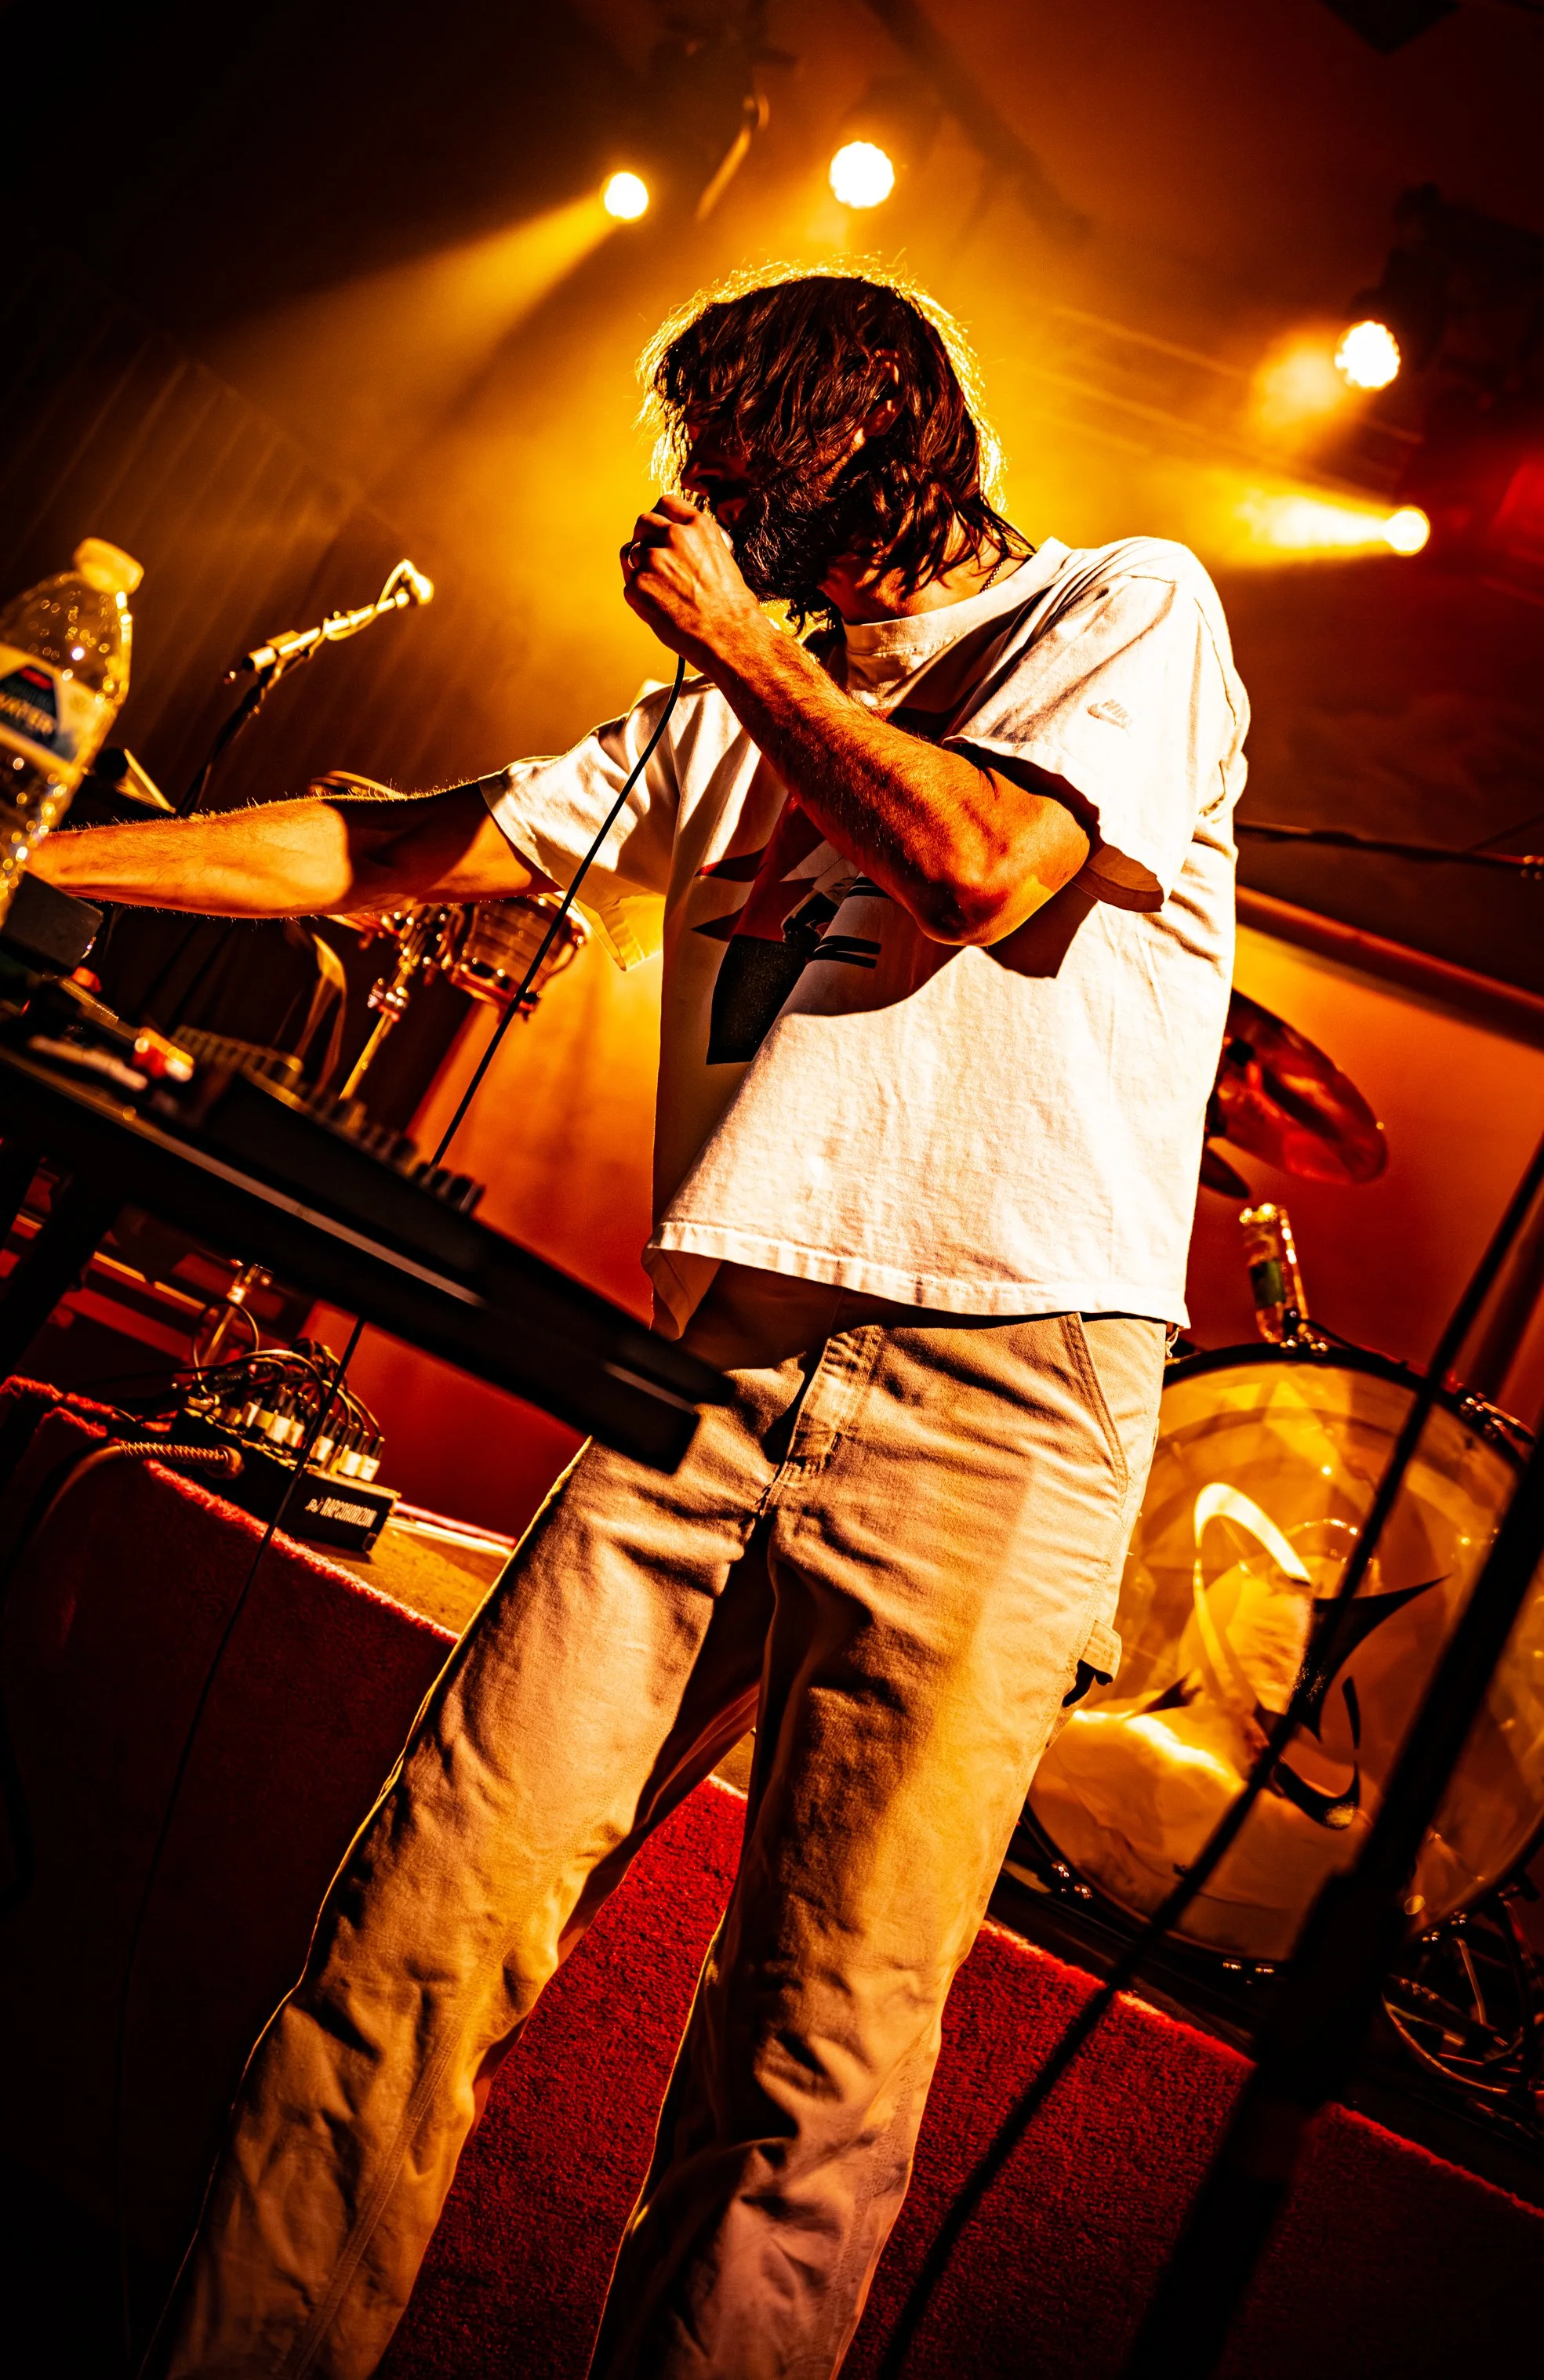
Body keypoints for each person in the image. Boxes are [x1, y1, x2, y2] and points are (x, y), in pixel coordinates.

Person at [38, 270, 1248, 2378]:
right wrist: (43, 858)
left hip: (1005, 1397)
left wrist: (753, 652)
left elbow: (980, 861)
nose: (720, 537)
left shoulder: (1122, 611)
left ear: (883, 472)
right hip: (725, 1374)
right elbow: (383, 843)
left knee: (807, 2084)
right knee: (411, 1933)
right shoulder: (728, 707)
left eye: (758, 505)